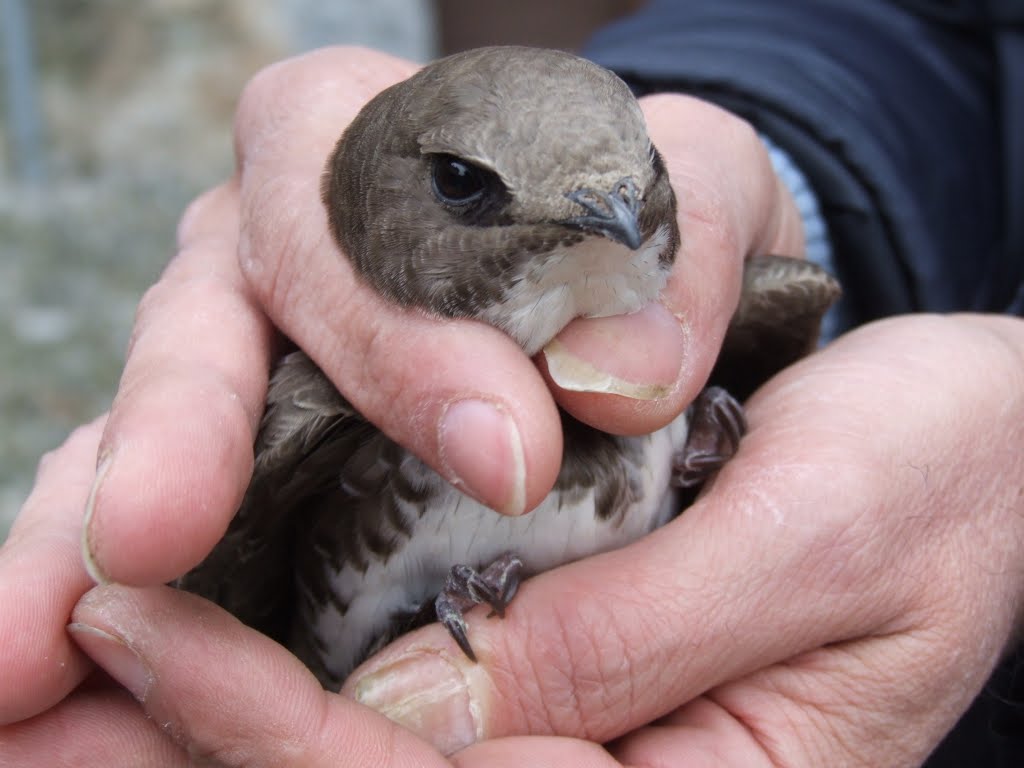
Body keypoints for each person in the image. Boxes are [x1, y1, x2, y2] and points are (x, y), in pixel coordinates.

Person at [2, 1, 1022, 765]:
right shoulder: (331, 401)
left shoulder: (687, 326)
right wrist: (779, 170)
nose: (612, 226)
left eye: (635, 189)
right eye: (467, 185)